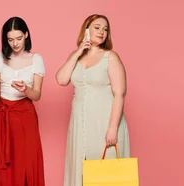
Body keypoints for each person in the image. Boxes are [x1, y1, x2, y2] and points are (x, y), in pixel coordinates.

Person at [55, 14, 131, 186]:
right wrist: (78, 52)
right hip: (81, 126)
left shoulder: (111, 57)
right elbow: (61, 79)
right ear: (86, 30)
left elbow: (120, 94)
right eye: (97, 27)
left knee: (107, 176)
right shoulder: (76, 56)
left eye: (105, 29)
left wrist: (112, 128)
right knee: (83, 173)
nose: (102, 32)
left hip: (104, 124)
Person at [0, 16, 46, 186]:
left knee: (27, 163)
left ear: (26, 35)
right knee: (4, 166)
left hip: (25, 117)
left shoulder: (36, 60)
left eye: (19, 38)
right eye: (10, 39)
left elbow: (37, 95)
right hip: (2, 117)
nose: (15, 43)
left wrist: (26, 89)